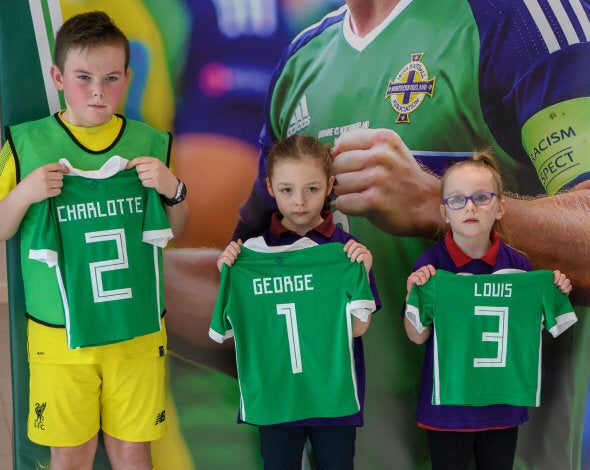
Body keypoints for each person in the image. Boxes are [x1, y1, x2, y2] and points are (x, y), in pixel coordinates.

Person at [161, 1, 590, 467]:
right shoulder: (304, 56)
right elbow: (256, 303)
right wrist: (121, 265)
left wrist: (436, 203)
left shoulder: (522, 18)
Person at [0, 11, 188, 470]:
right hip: (61, 337)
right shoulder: (26, 144)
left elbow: (178, 228)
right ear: (58, 76)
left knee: (133, 454)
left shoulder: (151, 144)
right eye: (84, 77)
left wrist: (174, 190)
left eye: (112, 77)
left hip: (135, 330)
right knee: (70, 456)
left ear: (128, 77)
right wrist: (24, 194)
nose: (98, 90)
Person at [213, 135, 381, 470]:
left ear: (330, 186)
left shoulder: (345, 251)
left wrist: (363, 271)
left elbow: (359, 328)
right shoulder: (251, 254)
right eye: (287, 190)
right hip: (277, 397)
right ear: (270, 187)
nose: (300, 202)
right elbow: (232, 333)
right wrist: (229, 275)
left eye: (312, 189)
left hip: (332, 396)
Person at [403, 152, 574, 470]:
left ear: (500, 207)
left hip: (501, 406)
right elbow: (416, 337)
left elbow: (526, 332)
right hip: (447, 408)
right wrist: (414, 293)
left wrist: (554, 293)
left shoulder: (519, 266)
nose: (470, 206)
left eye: (482, 198)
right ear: (444, 211)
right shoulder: (431, 266)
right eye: (458, 199)